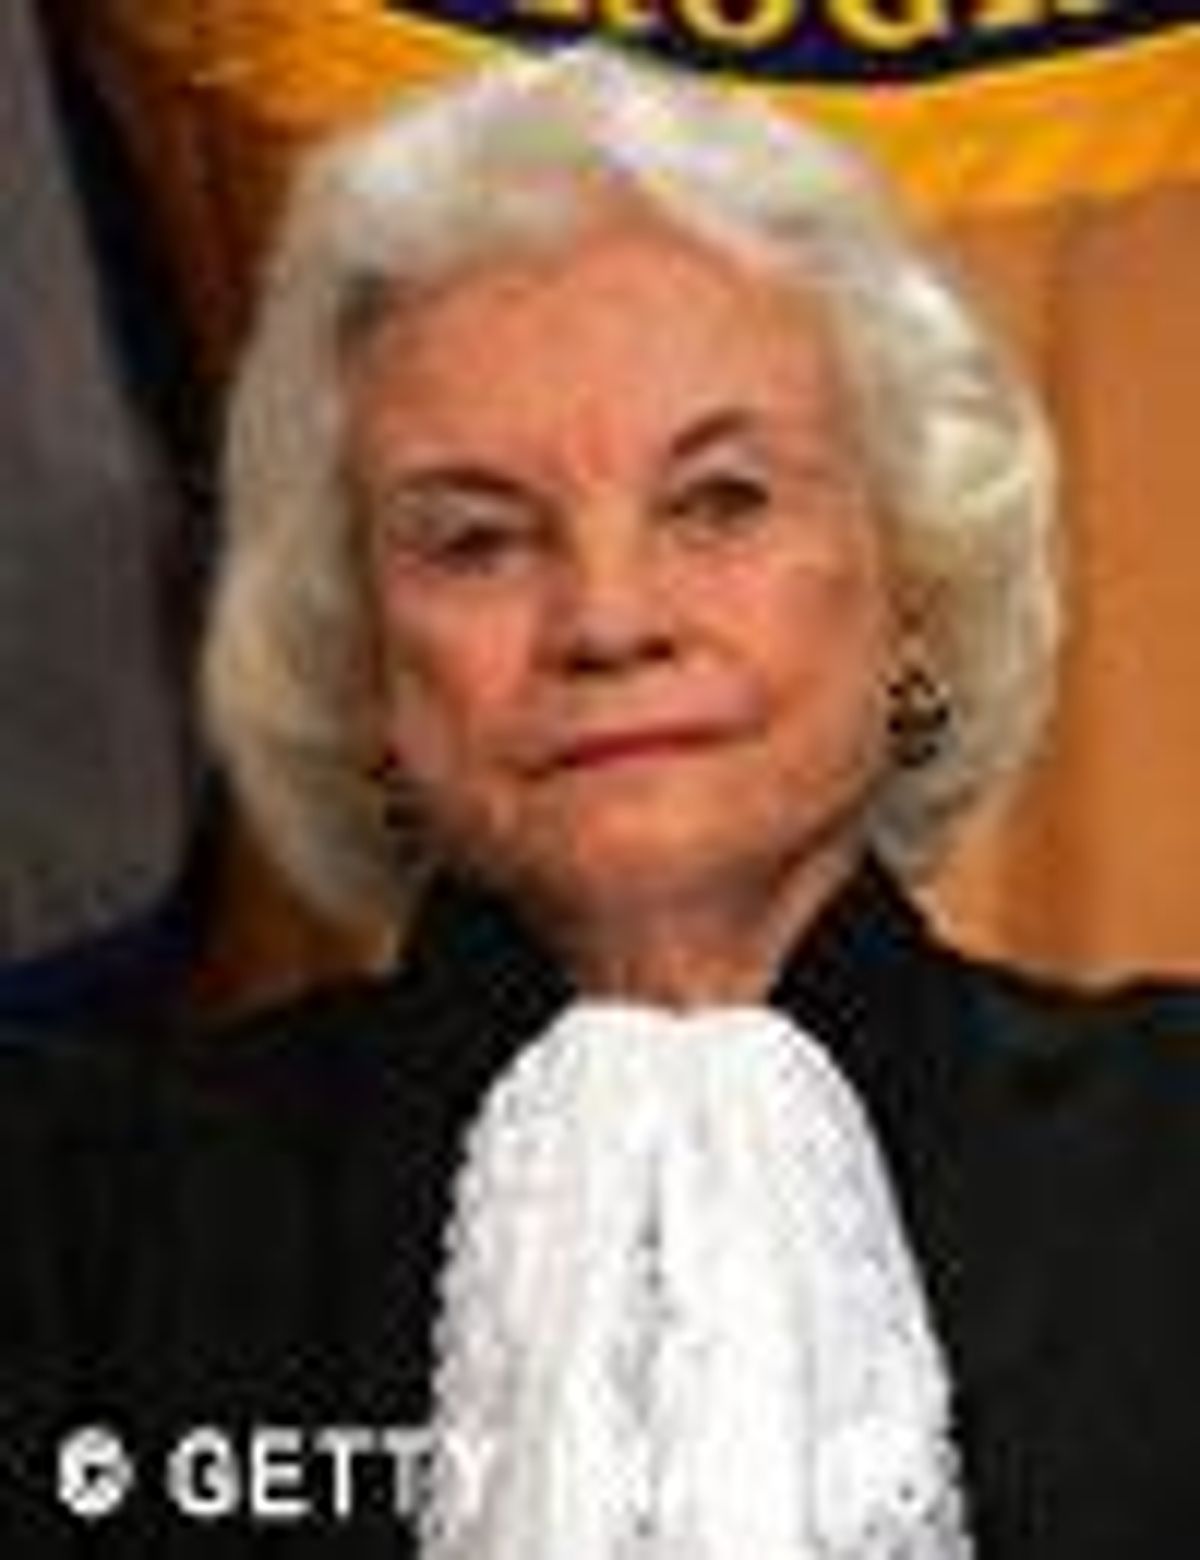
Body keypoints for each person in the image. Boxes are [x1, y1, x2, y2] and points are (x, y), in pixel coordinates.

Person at [1, 43, 1198, 1559]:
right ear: (361, 663)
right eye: (479, 540)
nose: (610, 620)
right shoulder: (78, 1222)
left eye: (720, 501)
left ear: (912, 579)